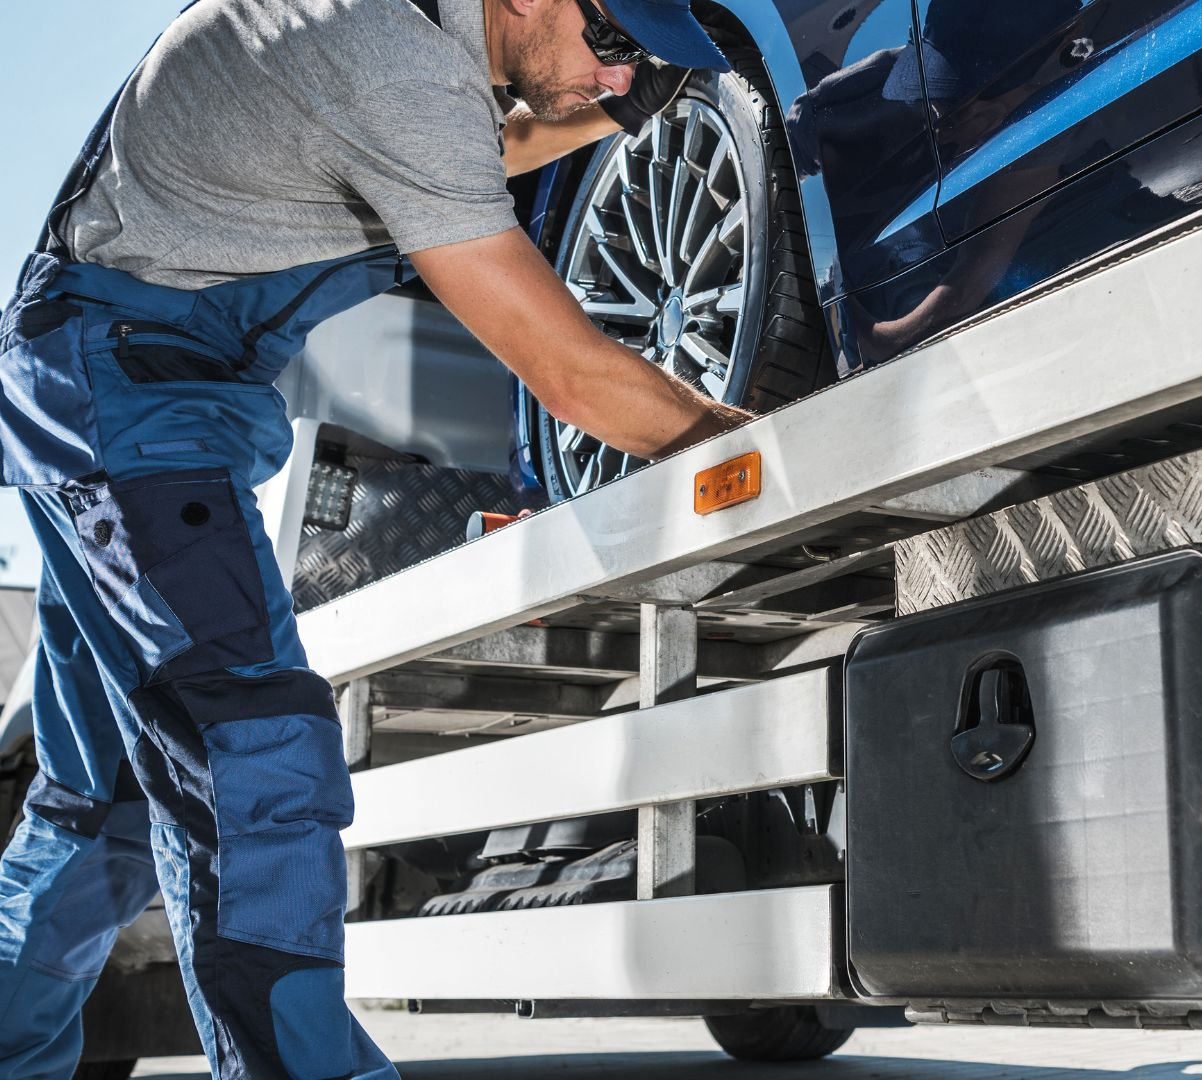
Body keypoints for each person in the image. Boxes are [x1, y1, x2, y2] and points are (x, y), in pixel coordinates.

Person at [0, 0, 738, 1075]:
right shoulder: (396, 71)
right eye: (618, 46)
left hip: (98, 385)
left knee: (100, 798)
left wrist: (645, 79)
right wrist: (754, 437)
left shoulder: (399, 36)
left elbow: (507, 136)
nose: (622, 85)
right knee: (254, 758)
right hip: (123, 410)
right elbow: (573, 375)